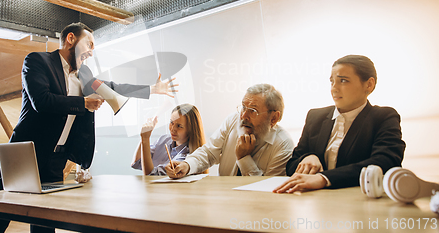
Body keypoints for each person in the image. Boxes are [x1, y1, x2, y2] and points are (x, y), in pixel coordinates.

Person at [0, 22, 177, 233]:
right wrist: (83, 104)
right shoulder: (37, 61)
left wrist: (151, 89)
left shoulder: (84, 76)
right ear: (70, 39)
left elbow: (112, 87)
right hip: (24, 155)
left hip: (55, 159)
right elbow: (42, 101)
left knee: (45, 223)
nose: (91, 52)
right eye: (89, 44)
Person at [274, 55, 406, 193]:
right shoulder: (315, 116)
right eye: (332, 81)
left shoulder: (383, 117)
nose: (334, 88)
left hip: (360, 203)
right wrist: (308, 157)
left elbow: (385, 161)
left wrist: (323, 178)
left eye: (343, 81)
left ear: (369, 84)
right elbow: (291, 165)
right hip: (317, 204)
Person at [166, 84, 294, 178]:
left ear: (273, 118)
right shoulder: (233, 120)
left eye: (253, 111)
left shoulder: (283, 145)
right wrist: (186, 165)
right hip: (223, 200)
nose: (244, 116)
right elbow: (209, 153)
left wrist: (244, 158)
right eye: (243, 107)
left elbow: (268, 191)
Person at [131, 104, 206, 175]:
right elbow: (137, 162)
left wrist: (145, 138)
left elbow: (151, 175)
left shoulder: (188, 156)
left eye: (179, 126)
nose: (173, 129)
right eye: (171, 122)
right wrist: (143, 138)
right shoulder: (164, 140)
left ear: (190, 130)